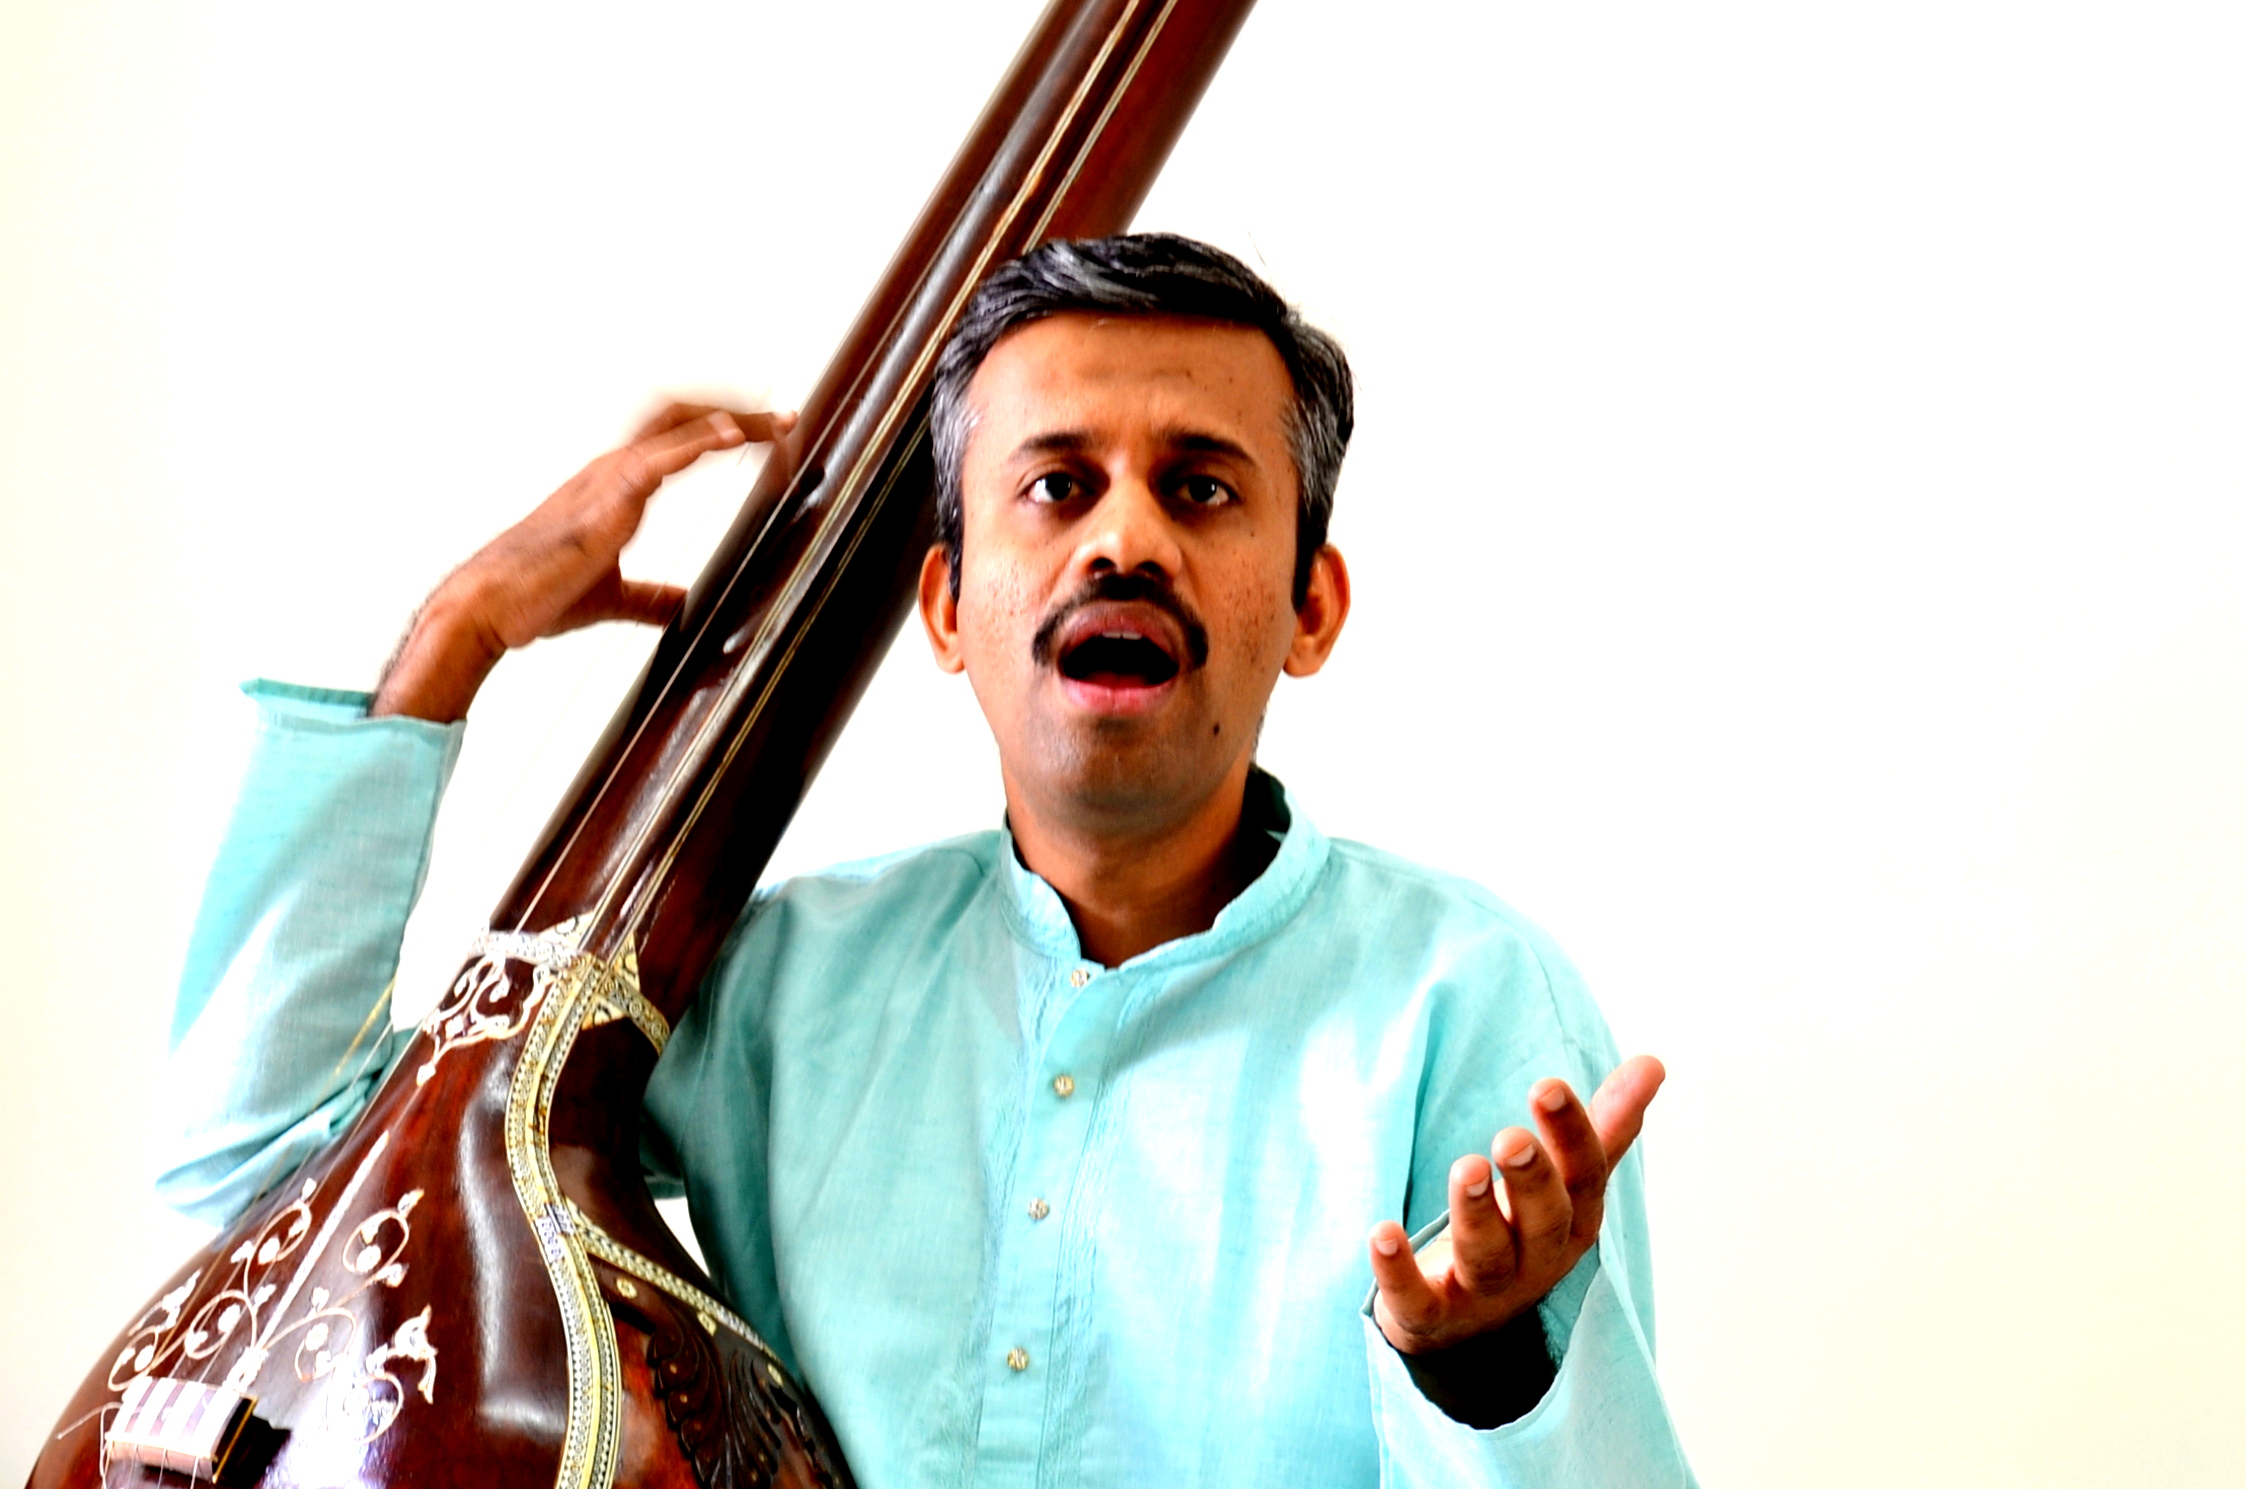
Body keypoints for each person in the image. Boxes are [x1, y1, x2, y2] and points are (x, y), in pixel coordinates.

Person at [158, 234, 1696, 1486]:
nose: (1124, 542)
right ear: (948, 607)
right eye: (1057, 483)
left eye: (1201, 486)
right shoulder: (779, 984)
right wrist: (454, 641)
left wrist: (1481, 1366)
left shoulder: (1463, 998)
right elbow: (279, 1180)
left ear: (1309, 605)